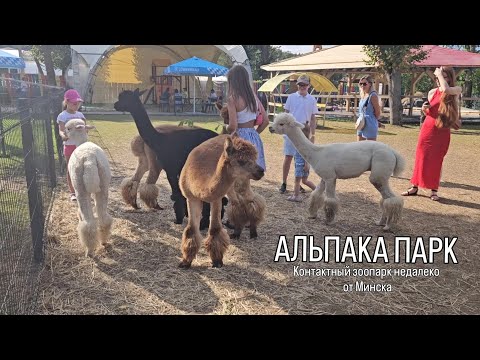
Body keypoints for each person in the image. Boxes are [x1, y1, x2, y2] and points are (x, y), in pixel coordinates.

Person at [402, 66, 462, 201]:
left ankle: (434, 190)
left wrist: (439, 73)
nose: (439, 80)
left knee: (437, 159)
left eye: (444, 77)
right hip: (428, 128)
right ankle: (414, 186)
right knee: (421, 157)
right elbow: (429, 110)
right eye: (438, 77)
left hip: (442, 131)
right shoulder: (432, 92)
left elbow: (445, 89)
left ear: (450, 78)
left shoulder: (455, 90)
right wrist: (424, 109)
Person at [279, 73, 318, 194]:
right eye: (300, 84)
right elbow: (285, 114)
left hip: (304, 133)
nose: (302, 86)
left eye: (305, 84)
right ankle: (284, 183)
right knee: (288, 156)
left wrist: (312, 133)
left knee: (301, 159)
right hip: (291, 131)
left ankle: (299, 183)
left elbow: (312, 118)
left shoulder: (312, 99)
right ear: (297, 85)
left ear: (308, 85)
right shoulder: (291, 97)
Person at [225, 64, 268, 171]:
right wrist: (254, 133)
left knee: (237, 173)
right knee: (250, 173)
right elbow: (266, 121)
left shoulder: (232, 98)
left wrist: (226, 127)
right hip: (253, 136)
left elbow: (233, 126)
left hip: (239, 139)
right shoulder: (253, 97)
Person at [57, 89, 87, 201]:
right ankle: (73, 192)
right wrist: (63, 136)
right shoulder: (62, 115)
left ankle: (83, 190)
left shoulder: (80, 115)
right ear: (67, 102)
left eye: (78, 103)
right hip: (69, 146)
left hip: (81, 146)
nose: (76, 105)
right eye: (74, 103)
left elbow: (85, 127)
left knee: (82, 168)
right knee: (71, 168)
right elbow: (61, 130)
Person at [287, 126, 317, 202]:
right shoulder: (307, 143)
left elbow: (306, 155)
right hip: (304, 165)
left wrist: (306, 164)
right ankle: (317, 190)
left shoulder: (302, 144)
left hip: (301, 165)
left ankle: (296, 196)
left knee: (297, 181)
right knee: (304, 181)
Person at [356, 75, 383, 142]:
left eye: (365, 84)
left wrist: (374, 121)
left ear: (370, 84)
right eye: (361, 84)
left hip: (370, 124)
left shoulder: (373, 95)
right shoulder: (363, 95)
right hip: (361, 123)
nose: (362, 85)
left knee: (370, 149)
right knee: (359, 147)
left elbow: (377, 112)